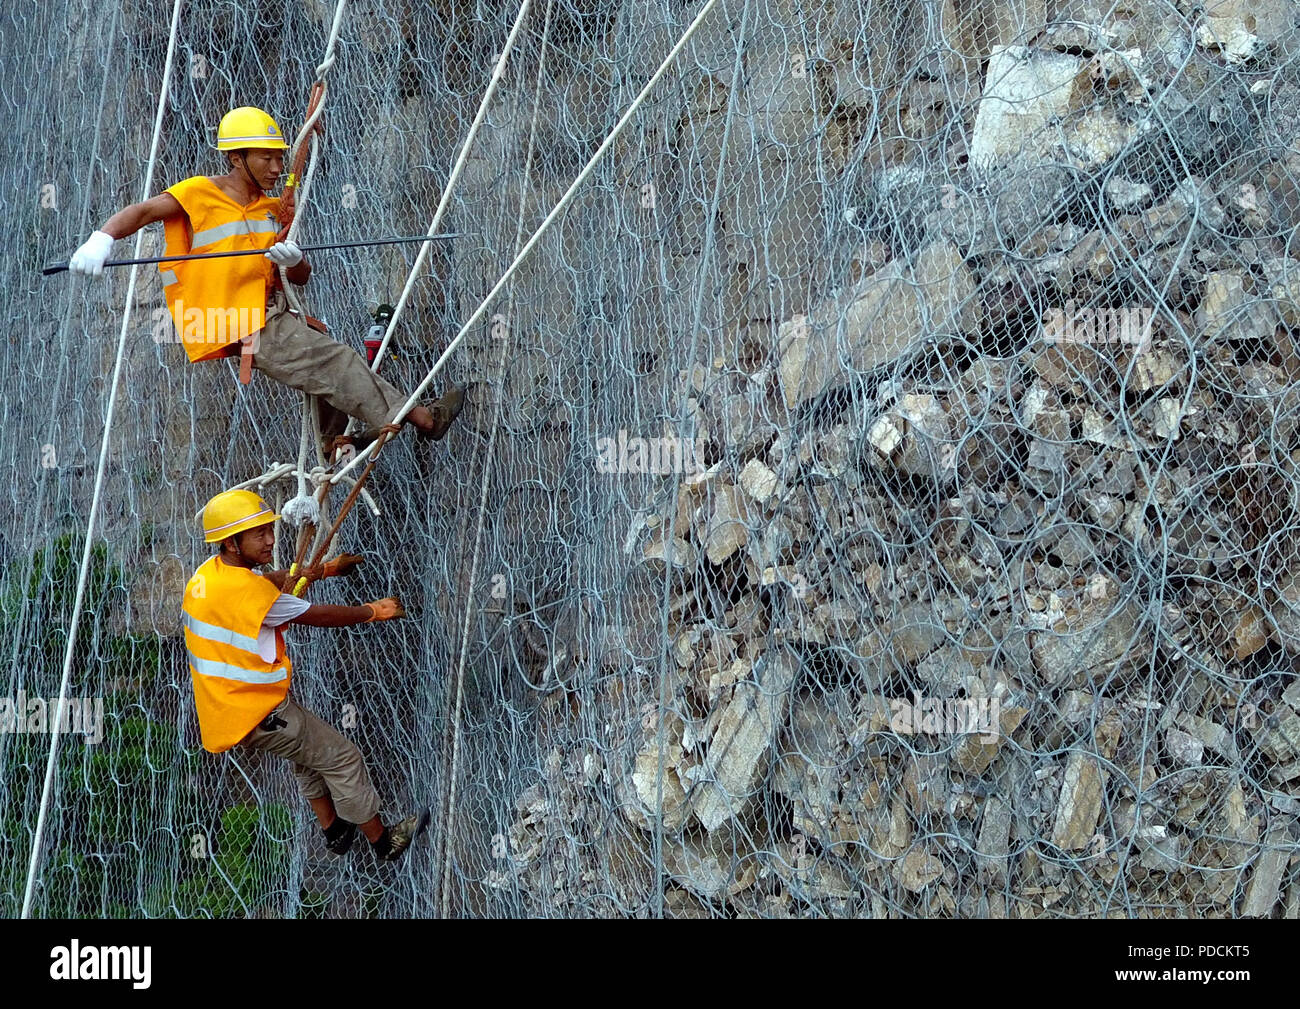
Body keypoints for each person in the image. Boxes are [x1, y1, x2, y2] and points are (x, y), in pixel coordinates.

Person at [66, 105, 462, 445]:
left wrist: (293, 260)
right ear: (236, 159)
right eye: (265, 158)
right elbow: (143, 212)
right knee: (335, 362)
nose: (277, 167)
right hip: (231, 320)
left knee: (320, 351)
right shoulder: (199, 193)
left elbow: (302, 278)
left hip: (264, 314)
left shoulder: (273, 209)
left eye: (279, 157)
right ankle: (423, 420)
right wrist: (102, 239)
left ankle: (333, 443)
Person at [182, 488, 429, 861]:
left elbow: (267, 583)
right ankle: (384, 842)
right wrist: (371, 611)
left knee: (308, 756)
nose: (271, 539)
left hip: (233, 714)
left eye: (270, 529)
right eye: (259, 534)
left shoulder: (208, 577)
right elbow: (314, 615)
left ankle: (334, 830)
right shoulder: (249, 595)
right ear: (232, 543)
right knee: (342, 758)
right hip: (262, 714)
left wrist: (325, 570)